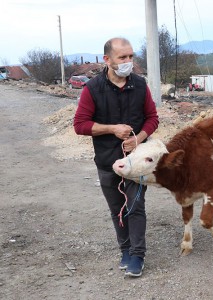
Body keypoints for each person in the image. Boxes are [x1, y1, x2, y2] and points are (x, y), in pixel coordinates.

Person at [73, 37, 159, 277]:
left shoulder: (140, 85)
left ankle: (137, 255)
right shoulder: (93, 89)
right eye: (123, 57)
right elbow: (80, 125)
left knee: (136, 206)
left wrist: (139, 138)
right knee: (117, 208)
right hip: (107, 159)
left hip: (136, 160)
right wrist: (111, 129)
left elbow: (153, 118)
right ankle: (125, 249)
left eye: (131, 56)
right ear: (107, 60)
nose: (128, 62)